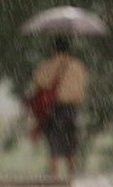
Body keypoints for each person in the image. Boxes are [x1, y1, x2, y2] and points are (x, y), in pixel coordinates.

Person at [29, 36, 89, 178]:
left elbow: (37, 81)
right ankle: (71, 169)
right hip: (73, 107)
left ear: (53, 48)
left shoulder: (49, 65)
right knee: (70, 136)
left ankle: (54, 171)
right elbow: (83, 86)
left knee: (54, 137)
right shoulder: (78, 65)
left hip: (55, 107)